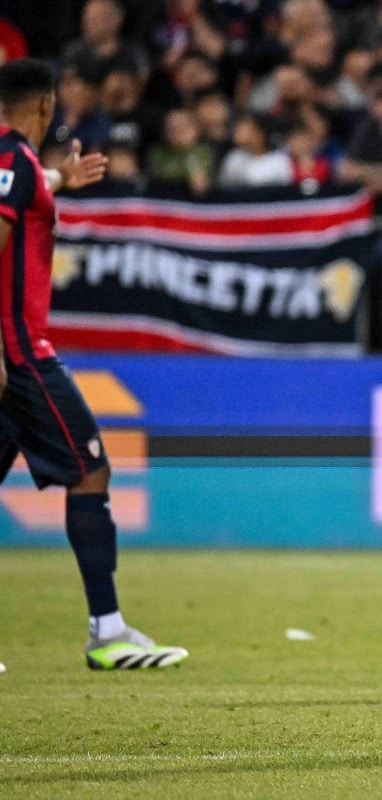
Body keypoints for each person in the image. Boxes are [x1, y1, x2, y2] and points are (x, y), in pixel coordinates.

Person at [0, 58, 188, 671]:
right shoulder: (13, 161)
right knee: (91, 471)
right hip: (20, 355)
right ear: (46, 107)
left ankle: (108, 628)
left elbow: (24, 186)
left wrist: (56, 178)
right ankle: (106, 631)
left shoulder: (19, 166)